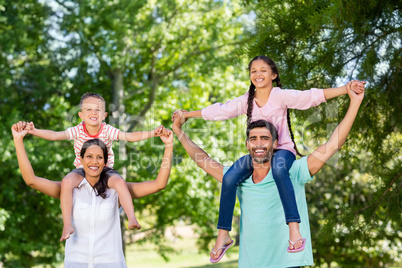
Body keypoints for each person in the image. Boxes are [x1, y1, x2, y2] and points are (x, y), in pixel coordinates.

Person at [172, 55, 365, 254]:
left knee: (280, 170)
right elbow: (220, 111)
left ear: (273, 74)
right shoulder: (246, 100)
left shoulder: (280, 95)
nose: (258, 74)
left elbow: (310, 97)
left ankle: (294, 229)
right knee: (229, 178)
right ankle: (223, 235)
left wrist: (345, 89)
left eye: (263, 70)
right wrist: (186, 115)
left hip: (282, 152)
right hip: (259, 154)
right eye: (253, 71)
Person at [12, 122, 174, 268]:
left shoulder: (117, 190)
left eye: (99, 157)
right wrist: (18, 140)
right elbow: (31, 180)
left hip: (111, 263)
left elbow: (159, 184)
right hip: (76, 263)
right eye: (89, 156)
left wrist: (168, 147)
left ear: (105, 162)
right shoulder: (68, 190)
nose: (94, 162)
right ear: (81, 160)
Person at [24, 92, 165, 241]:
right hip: (82, 170)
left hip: (105, 169)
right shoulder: (77, 130)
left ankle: (132, 218)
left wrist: (152, 133)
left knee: (119, 182)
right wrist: (34, 131)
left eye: (97, 110)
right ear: (81, 115)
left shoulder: (107, 130)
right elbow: (54, 135)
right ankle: (67, 225)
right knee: (66, 182)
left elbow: (129, 136)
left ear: (104, 115)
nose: (93, 113)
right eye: (89, 109)